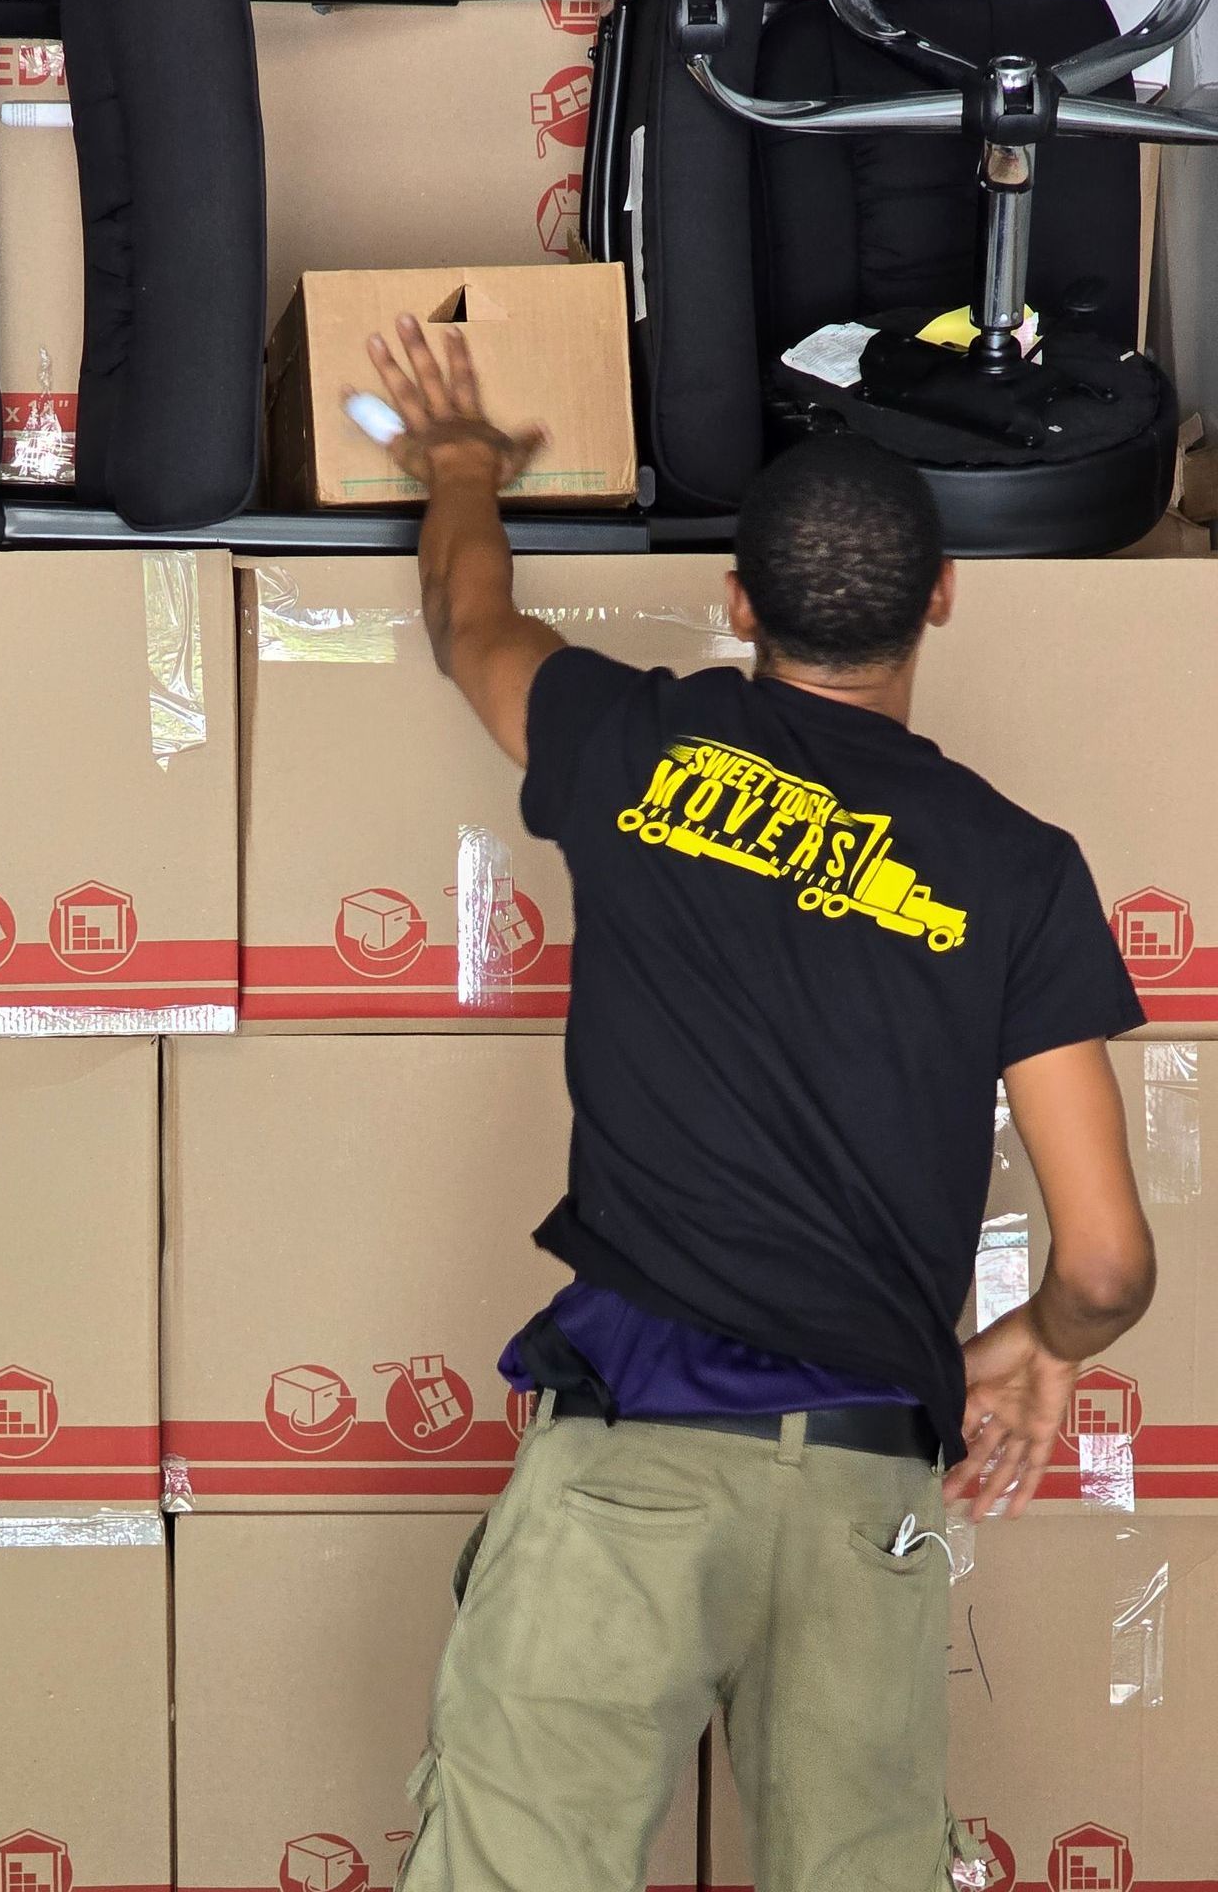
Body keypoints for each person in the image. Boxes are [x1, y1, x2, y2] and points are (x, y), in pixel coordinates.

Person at [355, 316, 1157, 1892]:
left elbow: (470, 619)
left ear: (738, 608)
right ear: (940, 599)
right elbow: (1111, 1263)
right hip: (866, 1481)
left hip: (632, 1467)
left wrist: (460, 465)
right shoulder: (1017, 868)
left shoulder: (637, 746)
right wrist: (1037, 1349)